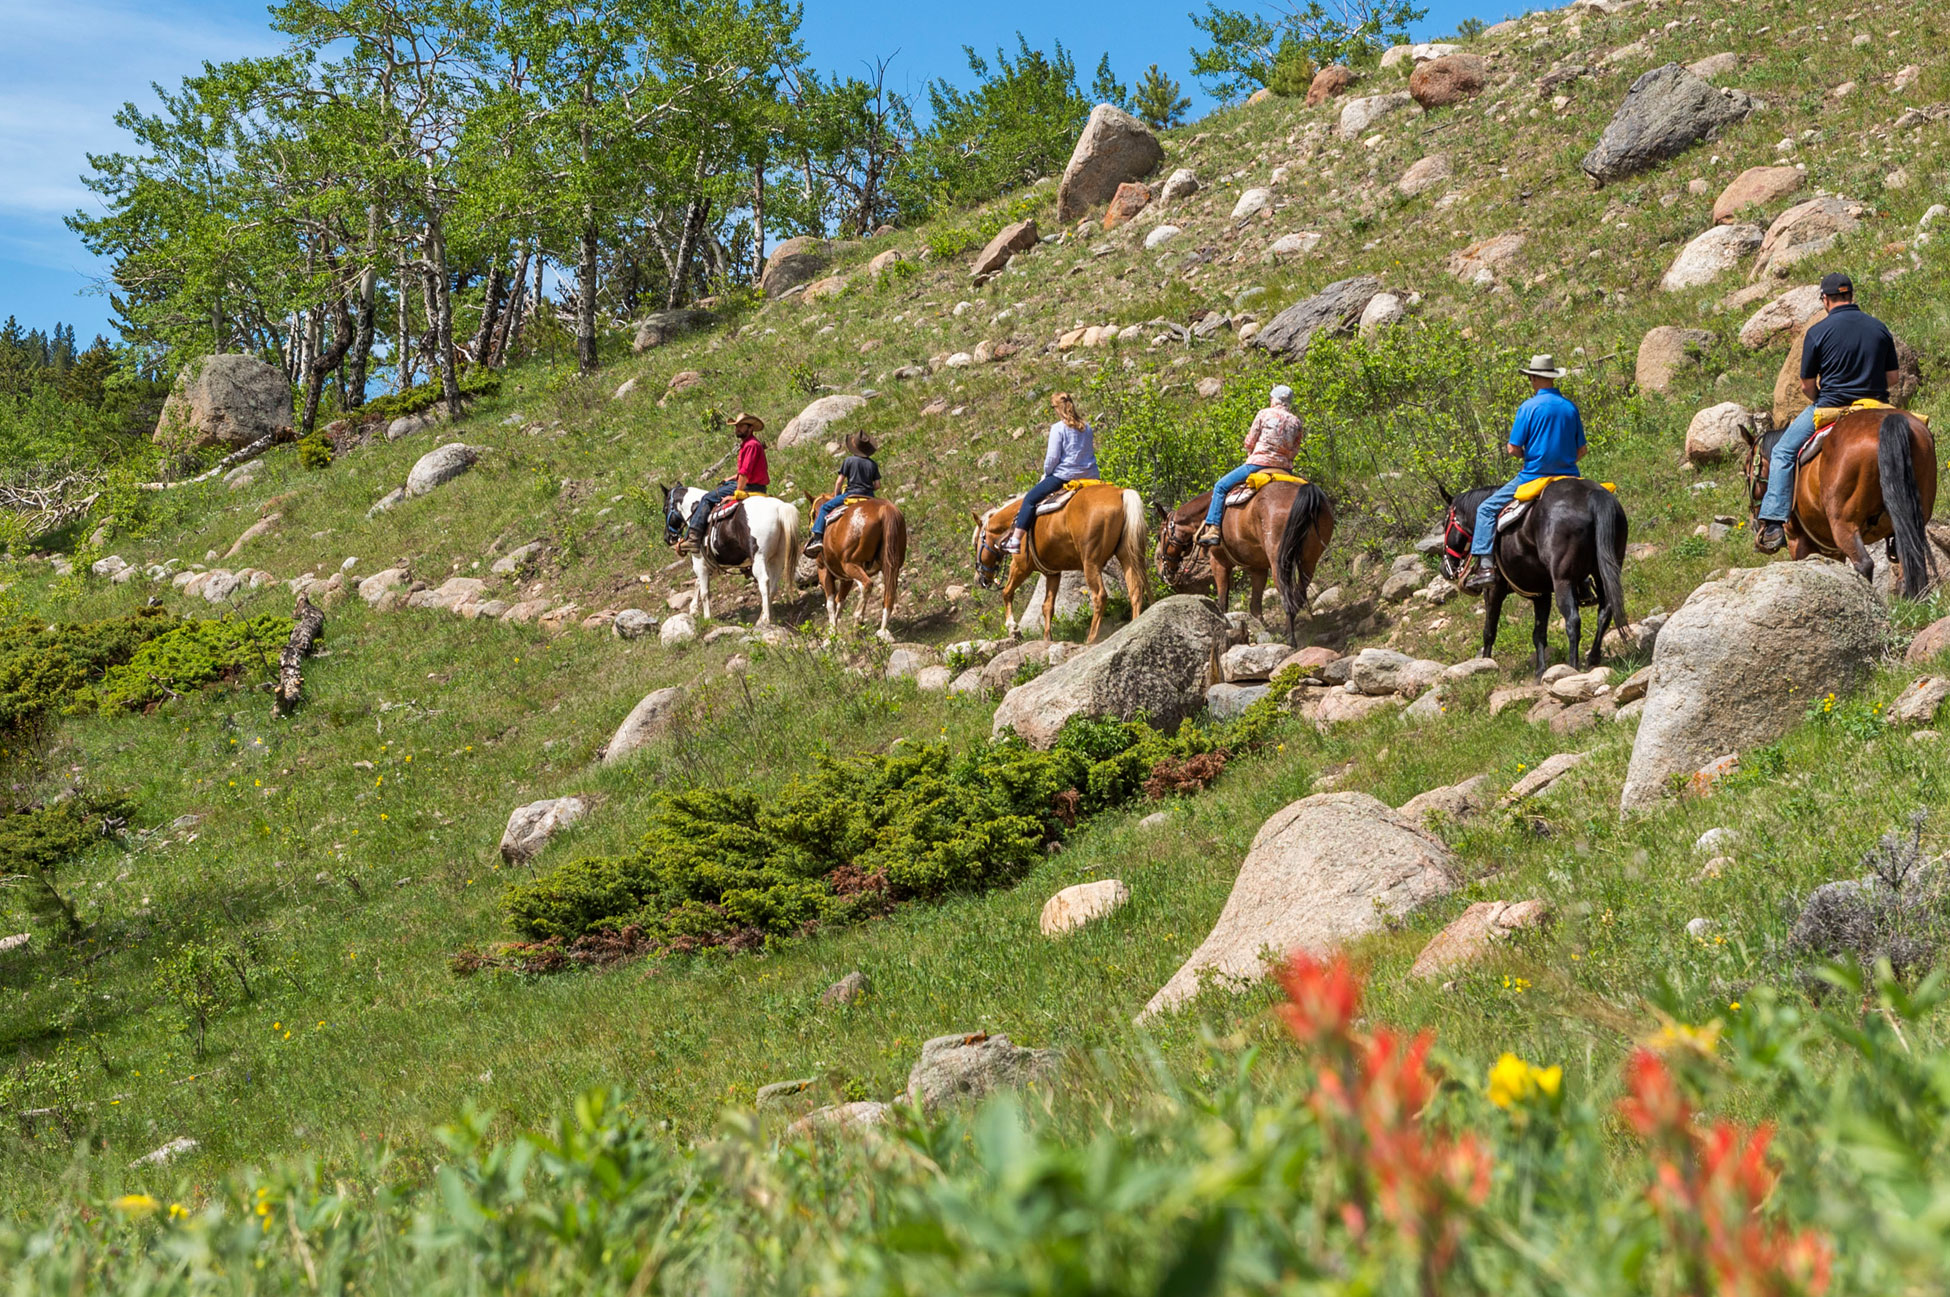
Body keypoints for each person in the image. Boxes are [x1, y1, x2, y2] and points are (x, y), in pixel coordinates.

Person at [1754, 272, 1900, 553]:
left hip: (1832, 406)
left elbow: (1807, 385)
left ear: (1825, 299)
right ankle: (1897, 531)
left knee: (1783, 452)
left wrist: (1822, 398)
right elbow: (1892, 378)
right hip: (1877, 407)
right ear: (1851, 296)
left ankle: (1773, 523)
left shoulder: (1818, 332)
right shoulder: (1879, 327)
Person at [1458, 354, 1586, 594]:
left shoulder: (1528, 407)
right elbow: (1582, 450)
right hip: (1569, 478)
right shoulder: (1570, 408)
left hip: (1534, 476)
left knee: (1486, 509)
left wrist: (1529, 456)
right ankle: (1584, 580)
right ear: (1553, 378)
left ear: (1536, 378)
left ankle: (1485, 567)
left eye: (1530, 377)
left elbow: (1512, 448)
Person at [1196, 384, 1305, 546]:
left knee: (1220, 486)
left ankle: (1214, 528)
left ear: (1273, 399)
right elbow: (1295, 449)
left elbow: (1250, 441)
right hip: (1285, 469)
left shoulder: (1264, 414)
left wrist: (1251, 451)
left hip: (1258, 464)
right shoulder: (1296, 422)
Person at [1000, 392, 1098, 553]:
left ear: (1057, 408)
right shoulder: (1086, 427)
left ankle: (1016, 540)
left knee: (1030, 499)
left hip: (1065, 475)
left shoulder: (1058, 428)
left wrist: (1047, 473)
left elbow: (1052, 458)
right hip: (1091, 476)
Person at [684, 412, 769, 552]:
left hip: (749, 486)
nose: (737, 429)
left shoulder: (750, 445)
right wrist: (731, 478)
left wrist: (737, 494)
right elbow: (746, 471)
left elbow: (745, 473)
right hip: (753, 483)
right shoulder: (750, 444)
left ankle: (693, 536)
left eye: (741, 426)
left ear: (750, 428)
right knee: (724, 486)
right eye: (737, 427)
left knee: (707, 498)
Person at [804, 433, 880, 556]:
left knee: (824, 507)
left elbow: (839, 482)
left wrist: (836, 495)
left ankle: (817, 537)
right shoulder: (872, 464)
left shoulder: (849, 461)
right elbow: (877, 485)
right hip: (869, 498)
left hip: (851, 495)